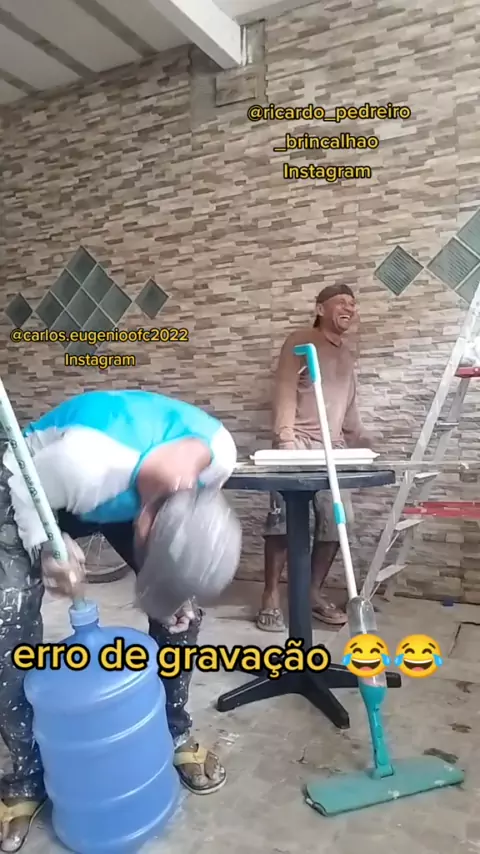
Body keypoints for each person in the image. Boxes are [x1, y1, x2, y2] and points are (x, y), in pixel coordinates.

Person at [0, 389, 238, 852]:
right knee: (7, 630)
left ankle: (174, 731)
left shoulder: (219, 458)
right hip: (34, 485)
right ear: (142, 521)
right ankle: (27, 775)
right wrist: (45, 544)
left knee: (181, 615)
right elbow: (24, 487)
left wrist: (172, 591)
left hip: (129, 489)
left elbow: (183, 540)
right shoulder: (84, 466)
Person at [255, 284, 372, 633]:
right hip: (298, 442)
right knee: (282, 522)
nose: (349, 308)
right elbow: (285, 388)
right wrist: (285, 438)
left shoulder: (346, 354)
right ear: (321, 309)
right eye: (341, 302)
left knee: (337, 521)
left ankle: (311, 592)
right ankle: (270, 596)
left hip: (333, 447)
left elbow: (349, 408)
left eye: (352, 303)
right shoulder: (301, 341)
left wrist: (363, 440)